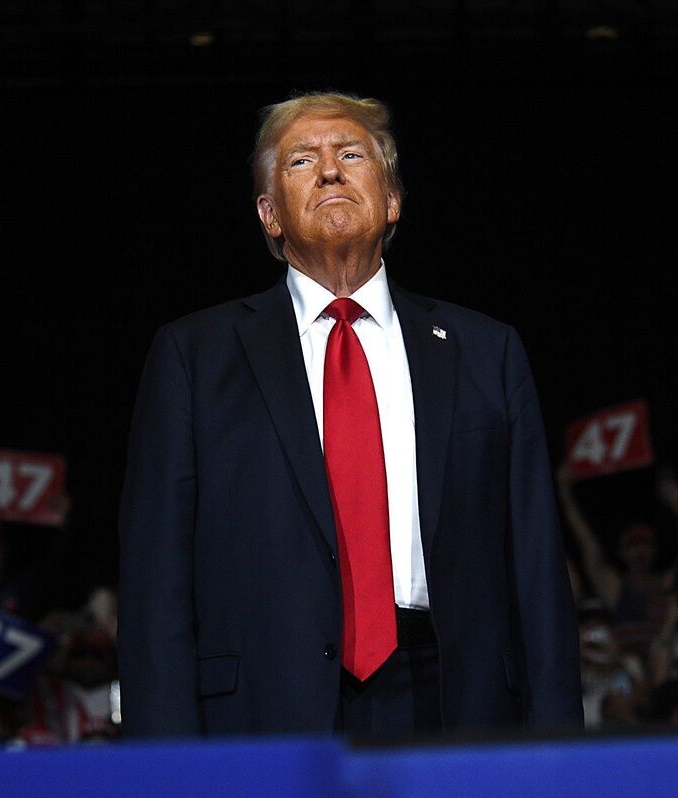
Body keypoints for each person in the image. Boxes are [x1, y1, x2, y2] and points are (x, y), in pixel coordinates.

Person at [119, 91, 582, 738]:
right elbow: (155, 580)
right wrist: (166, 762)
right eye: (302, 160)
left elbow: (537, 572)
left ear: (391, 200)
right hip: (262, 714)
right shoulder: (194, 357)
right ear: (268, 213)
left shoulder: (486, 351)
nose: (330, 170)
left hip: (455, 706)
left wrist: (560, 750)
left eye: (352, 154)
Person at [556, 463, 678, 658]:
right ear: (622, 552)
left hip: (664, 662)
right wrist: (565, 493)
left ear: (655, 549)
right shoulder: (616, 588)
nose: (640, 550)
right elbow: (589, 546)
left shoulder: (666, 582)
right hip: (627, 671)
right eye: (632, 545)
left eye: (646, 544)